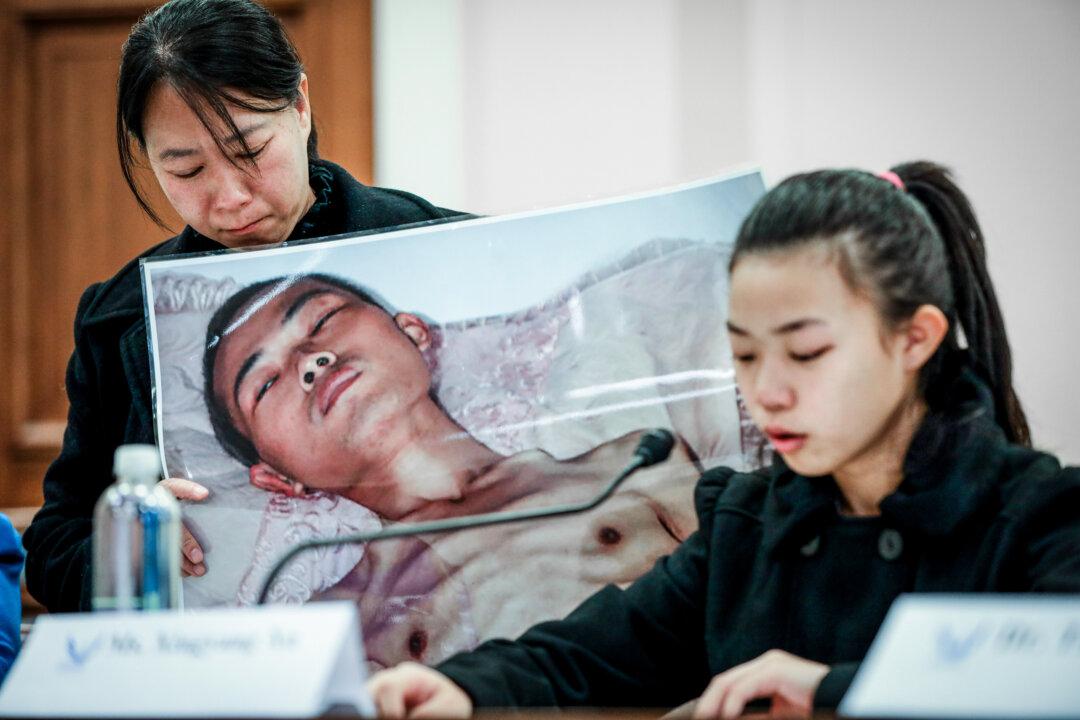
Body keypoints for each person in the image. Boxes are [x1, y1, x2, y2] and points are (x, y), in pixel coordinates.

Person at [364, 162, 1080, 719]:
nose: (765, 390)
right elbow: (582, 658)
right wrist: (460, 692)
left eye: (805, 354)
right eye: (744, 354)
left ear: (913, 339)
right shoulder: (747, 526)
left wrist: (832, 692)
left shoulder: (1040, 518)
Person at [22, 0, 467, 613]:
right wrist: (124, 546)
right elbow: (52, 544)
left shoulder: (444, 250)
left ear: (301, 105)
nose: (229, 197)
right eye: (186, 170)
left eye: (250, 151)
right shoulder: (119, 316)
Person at [202, 272, 703, 667]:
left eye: (321, 320)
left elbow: (755, 585)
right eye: (265, 384)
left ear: (413, 332)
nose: (309, 361)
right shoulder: (340, 628)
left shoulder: (633, 464)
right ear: (278, 481)